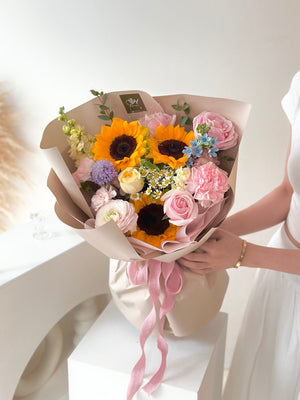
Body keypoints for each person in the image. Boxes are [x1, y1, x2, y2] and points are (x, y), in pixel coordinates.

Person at [178, 71, 300, 400]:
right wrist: (206, 232)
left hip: (274, 261)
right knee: (262, 377)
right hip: (280, 269)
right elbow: (289, 192)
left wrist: (244, 255)